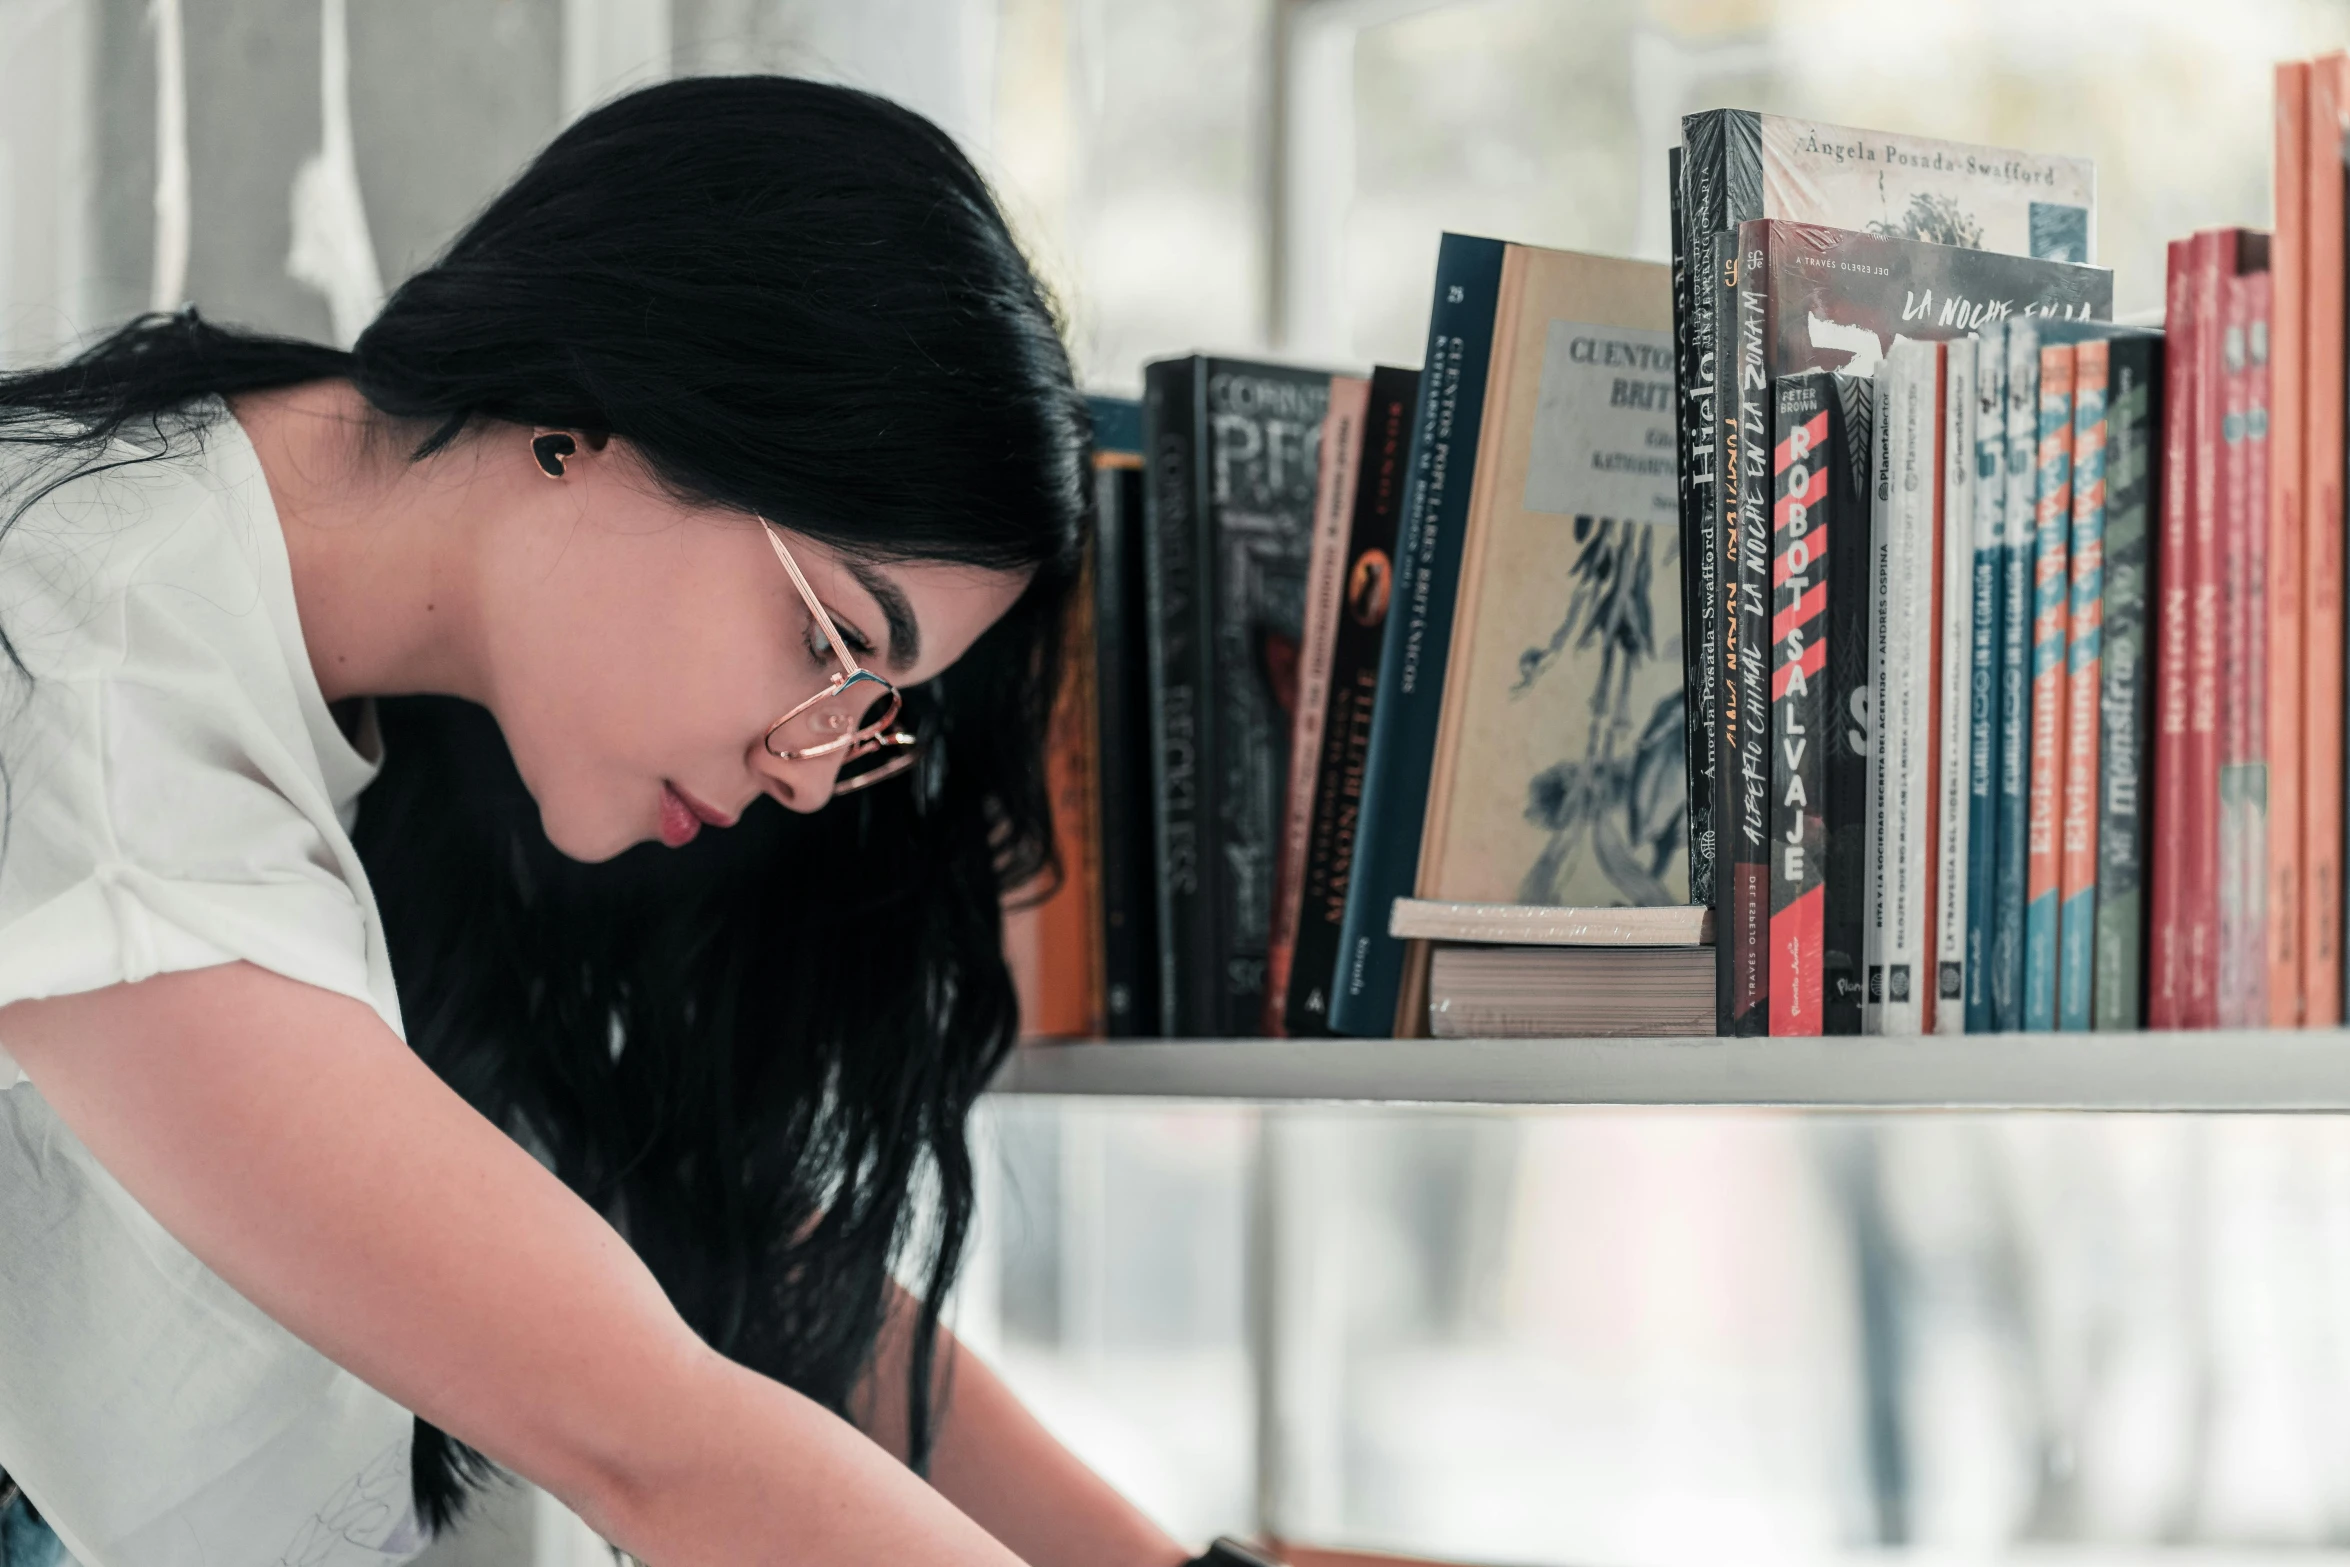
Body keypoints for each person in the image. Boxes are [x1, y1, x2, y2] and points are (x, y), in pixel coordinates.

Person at [0, 75, 1234, 1567]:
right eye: (831, 643)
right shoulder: (83, 672)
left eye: (869, 711)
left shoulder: (398, 663)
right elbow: (655, 1439)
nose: (805, 767)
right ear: (595, 410)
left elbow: (731, 1245)